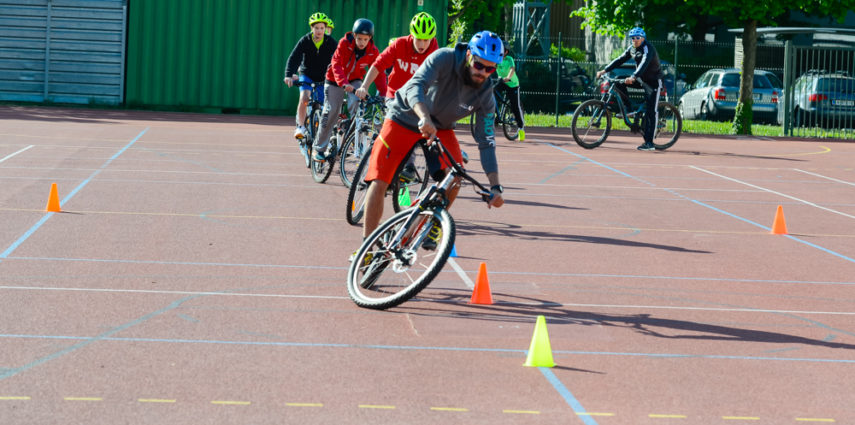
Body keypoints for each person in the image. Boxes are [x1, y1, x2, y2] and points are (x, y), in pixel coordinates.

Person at [359, 30, 506, 246]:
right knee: (380, 179)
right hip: (405, 115)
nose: (483, 72)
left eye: (489, 68)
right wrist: (423, 116)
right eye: (478, 65)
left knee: (456, 177)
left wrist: (495, 187)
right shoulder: (444, 58)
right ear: (468, 55)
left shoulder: (485, 94)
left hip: (442, 127)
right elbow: (415, 86)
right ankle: (367, 246)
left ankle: (429, 224)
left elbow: (487, 141)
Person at [355, 12, 440, 181]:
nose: (422, 44)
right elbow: (378, 65)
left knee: (416, 125)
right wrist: (364, 86)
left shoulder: (435, 52)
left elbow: (439, 80)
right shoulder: (400, 44)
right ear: (412, 35)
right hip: (395, 93)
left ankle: (408, 167)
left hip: (418, 98)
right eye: (418, 39)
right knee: (392, 126)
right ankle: (376, 170)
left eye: (426, 39)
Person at [312, 18, 387, 162]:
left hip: (355, 80)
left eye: (365, 39)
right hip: (334, 80)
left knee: (359, 106)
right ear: (354, 35)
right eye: (359, 38)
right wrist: (343, 83)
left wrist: (384, 94)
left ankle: (351, 136)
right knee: (332, 110)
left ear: (370, 38)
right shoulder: (344, 43)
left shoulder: (373, 51)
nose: (362, 42)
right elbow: (336, 63)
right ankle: (319, 148)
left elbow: (379, 73)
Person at [595, 27, 663, 151]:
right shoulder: (632, 49)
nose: (635, 40)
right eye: (632, 38)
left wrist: (633, 76)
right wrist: (604, 70)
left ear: (643, 38)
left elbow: (644, 62)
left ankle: (649, 143)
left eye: (637, 38)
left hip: (653, 83)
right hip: (640, 80)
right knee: (619, 81)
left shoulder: (648, 48)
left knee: (651, 112)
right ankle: (629, 109)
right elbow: (620, 59)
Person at [284, 13, 337, 140]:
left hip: (323, 77)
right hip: (306, 74)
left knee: (324, 105)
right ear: (312, 28)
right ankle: (301, 126)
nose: (319, 31)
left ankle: (323, 133)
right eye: (316, 28)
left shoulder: (330, 42)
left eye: (322, 28)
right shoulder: (305, 40)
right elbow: (294, 57)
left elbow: (338, 59)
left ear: (325, 28)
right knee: (305, 97)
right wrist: (288, 75)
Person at [495, 40, 526, 141]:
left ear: (506, 52)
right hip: (501, 82)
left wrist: (508, 77)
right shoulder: (496, 59)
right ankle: (496, 115)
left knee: (515, 106)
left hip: (512, 84)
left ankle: (521, 128)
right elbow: (490, 67)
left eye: (502, 50)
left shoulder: (509, 59)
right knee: (490, 92)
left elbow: (512, 69)